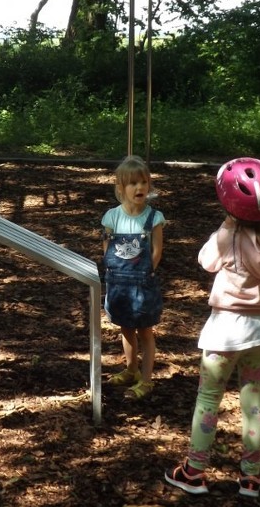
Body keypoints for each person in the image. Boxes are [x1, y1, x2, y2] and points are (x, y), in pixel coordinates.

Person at [165, 158, 260, 498]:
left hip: (224, 332)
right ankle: (251, 478)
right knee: (254, 402)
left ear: (230, 206)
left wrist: (227, 226)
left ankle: (194, 473)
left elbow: (205, 261)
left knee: (208, 399)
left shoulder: (229, 238)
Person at [101, 155, 165, 400]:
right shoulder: (112, 217)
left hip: (142, 284)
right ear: (120, 188)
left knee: (145, 332)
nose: (139, 188)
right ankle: (131, 369)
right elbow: (106, 248)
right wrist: (115, 271)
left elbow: (157, 251)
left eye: (143, 182)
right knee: (125, 329)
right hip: (118, 283)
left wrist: (146, 272)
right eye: (132, 183)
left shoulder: (153, 218)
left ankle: (146, 380)